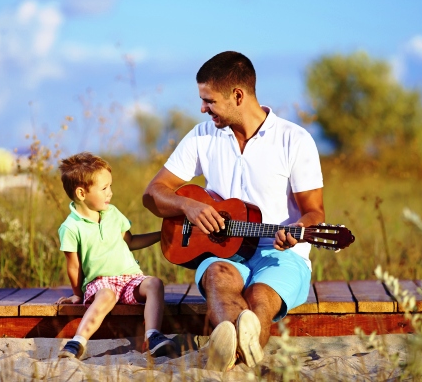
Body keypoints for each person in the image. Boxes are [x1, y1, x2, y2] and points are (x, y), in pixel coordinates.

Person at [142, 51, 324, 371]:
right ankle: (239, 351)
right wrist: (189, 205)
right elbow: (153, 194)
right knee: (217, 274)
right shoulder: (202, 135)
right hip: (223, 254)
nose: (202, 108)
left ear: (237, 96)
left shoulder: (294, 140)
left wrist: (296, 230)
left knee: (260, 299)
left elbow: (314, 212)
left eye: (209, 100)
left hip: (279, 254)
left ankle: (226, 350)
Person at [56, 152, 177, 360]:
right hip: (100, 283)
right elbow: (73, 266)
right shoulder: (71, 227)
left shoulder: (112, 213)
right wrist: (77, 293)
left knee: (154, 283)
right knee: (107, 296)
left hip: (130, 279)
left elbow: (130, 242)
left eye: (110, 186)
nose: (110, 193)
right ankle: (77, 341)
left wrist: (161, 235)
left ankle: (153, 336)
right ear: (81, 193)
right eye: (104, 188)